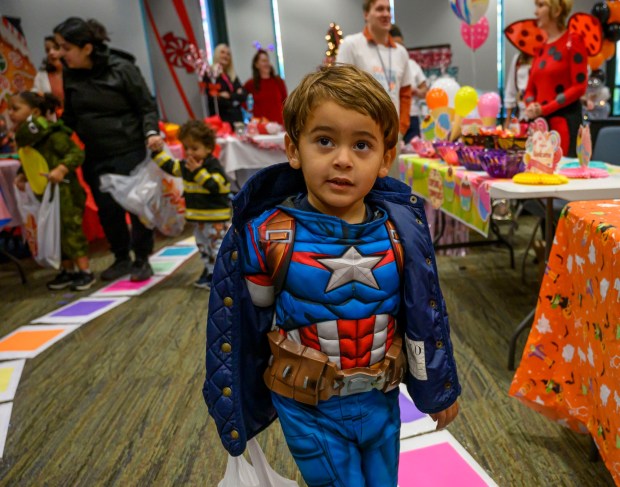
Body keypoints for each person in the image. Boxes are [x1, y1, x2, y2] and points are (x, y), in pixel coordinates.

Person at [203, 64, 460, 486]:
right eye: (324, 141)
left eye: (362, 145)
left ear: (385, 159)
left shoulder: (401, 232)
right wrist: (235, 405)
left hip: (382, 399)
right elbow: (244, 327)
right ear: (293, 149)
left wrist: (438, 389)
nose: (342, 159)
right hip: (307, 407)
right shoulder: (268, 235)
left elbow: (424, 318)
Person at [54, 17, 163, 282]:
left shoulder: (122, 68)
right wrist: (50, 135)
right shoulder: (70, 74)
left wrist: (151, 132)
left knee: (136, 209)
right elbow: (70, 116)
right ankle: (122, 258)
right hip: (95, 154)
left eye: (65, 47)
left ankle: (142, 259)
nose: (59, 54)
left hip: (129, 150)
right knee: (107, 209)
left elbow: (146, 107)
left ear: (87, 48)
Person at [9, 92, 95, 291]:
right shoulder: (27, 139)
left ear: (35, 112)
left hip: (65, 193)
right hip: (45, 195)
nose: (11, 113)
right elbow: (30, 159)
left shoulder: (53, 134)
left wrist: (62, 168)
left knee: (69, 231)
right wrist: (22, 174)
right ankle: (67, 271)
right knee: (54, 232)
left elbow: (76, 153)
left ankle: (85, 271)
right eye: (10, 109)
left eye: (16, 108)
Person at [152, 120, 231, 289]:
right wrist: (157, 152)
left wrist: (198, 172)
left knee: (218, 249)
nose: (189, 153)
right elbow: (171, 167)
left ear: (209, 148)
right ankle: (210, 273)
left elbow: (220, 187)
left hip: (215, 218)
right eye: (185, 148)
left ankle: (224, 278)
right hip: (198, 219)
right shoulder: (186, 165)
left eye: (194, 148)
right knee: (203, 248)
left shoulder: (212, 165)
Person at [336, 0, 413, 139]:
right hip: (360, 133)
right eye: (380, 9)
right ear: (366, 14)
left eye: (388, 10)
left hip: (393, 134)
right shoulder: (351, 45)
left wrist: (401, 128)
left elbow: (405, 93)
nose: (386, 14)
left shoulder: (401, 52)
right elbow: (340, 90)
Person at [524, 0, 587, 157]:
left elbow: (579, 86)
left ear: (556, 11)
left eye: (541, 5)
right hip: (541, 123)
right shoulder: (541, 48)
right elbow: (530, 88)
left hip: (564, 121)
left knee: (562, 172)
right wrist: (531, 105)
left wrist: (544, 109)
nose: (535, 12)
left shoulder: (573, 41)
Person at [389, 24, 428, 144]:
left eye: (401, 45)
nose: (399, 48)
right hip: (393, 116)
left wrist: (416, 91)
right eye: (395, 45)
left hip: (412, 116)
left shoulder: (412, 64)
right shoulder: (385, 66)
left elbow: (424, 91)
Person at [205, 44, 247, 124]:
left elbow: (244, 95)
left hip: (237, 119)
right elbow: (214, 99)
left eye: (228, 54)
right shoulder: (210, 75)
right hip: (221, 120)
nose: (225, 56)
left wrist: (229, 95)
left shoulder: (232, 75)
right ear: (217, 54)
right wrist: (235, 95)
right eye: (222, 52)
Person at [243, 49, 288, 124]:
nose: (267, 63)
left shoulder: (278, 81)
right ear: (256, 65)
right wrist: (248, 110)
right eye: (263, 61)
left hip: (279, 125)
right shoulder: (251, 83)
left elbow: (286, 102)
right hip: (261, 125)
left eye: (267, 60)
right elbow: (241, 97)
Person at [32, 36, 65, 105]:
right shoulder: (41, 75)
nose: (51, 53)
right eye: (47, 50)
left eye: (56, 48)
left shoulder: (78, 71)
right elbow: (34, 98)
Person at [504, 52, 533, 125]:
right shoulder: (518, 58)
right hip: (522, 115)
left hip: (541, 113)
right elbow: (511, 88)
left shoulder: (546, 55)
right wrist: (508, 120)